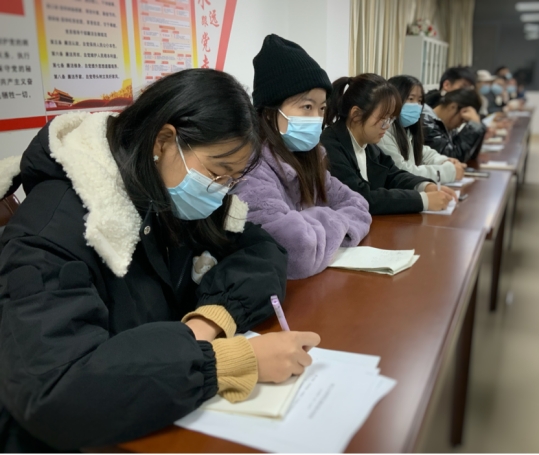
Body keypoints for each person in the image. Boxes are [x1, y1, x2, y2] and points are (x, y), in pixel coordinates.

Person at [0, 68, 321, 452]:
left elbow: (262, 250)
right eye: (218, 173)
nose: (221, 192)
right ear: (164, 140)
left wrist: (211, 319)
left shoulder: (167, 188)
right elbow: (55, 390)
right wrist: (223, 362)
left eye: (232, 180)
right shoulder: (52, 231)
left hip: (159, 413)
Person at [231, 34, 371, 280]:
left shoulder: (309, 158)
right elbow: (296, 252)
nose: (317, 118)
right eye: (307, 107)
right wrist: (336, 225)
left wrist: (311, 228)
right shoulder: (251, 169)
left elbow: (359, 205)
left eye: (322, 108)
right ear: (269, 113)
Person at [321, 73, 455, 216]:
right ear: (356, 114)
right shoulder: (330, 146)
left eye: (391, 119)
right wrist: (423, 200)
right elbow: (360, 197)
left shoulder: (368, 144)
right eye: (383, 119)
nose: (387, 126)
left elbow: (393, 174)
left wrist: (424, 186)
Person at [378, 75, 465, 184]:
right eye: (411, 99)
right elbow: (403, 172)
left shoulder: (406, 129)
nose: (416, 105)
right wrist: (447, 172)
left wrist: (444, 161)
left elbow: (422, 151)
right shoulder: (383, 132)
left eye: (419, 101)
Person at [422, 88, 487, 162]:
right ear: (453, 107)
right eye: (461, 120)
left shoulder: (444, 125)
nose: (459, 126)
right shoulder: (426, 122)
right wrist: (474, 126)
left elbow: (470, 156)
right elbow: (452, 159)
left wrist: (478, 125)